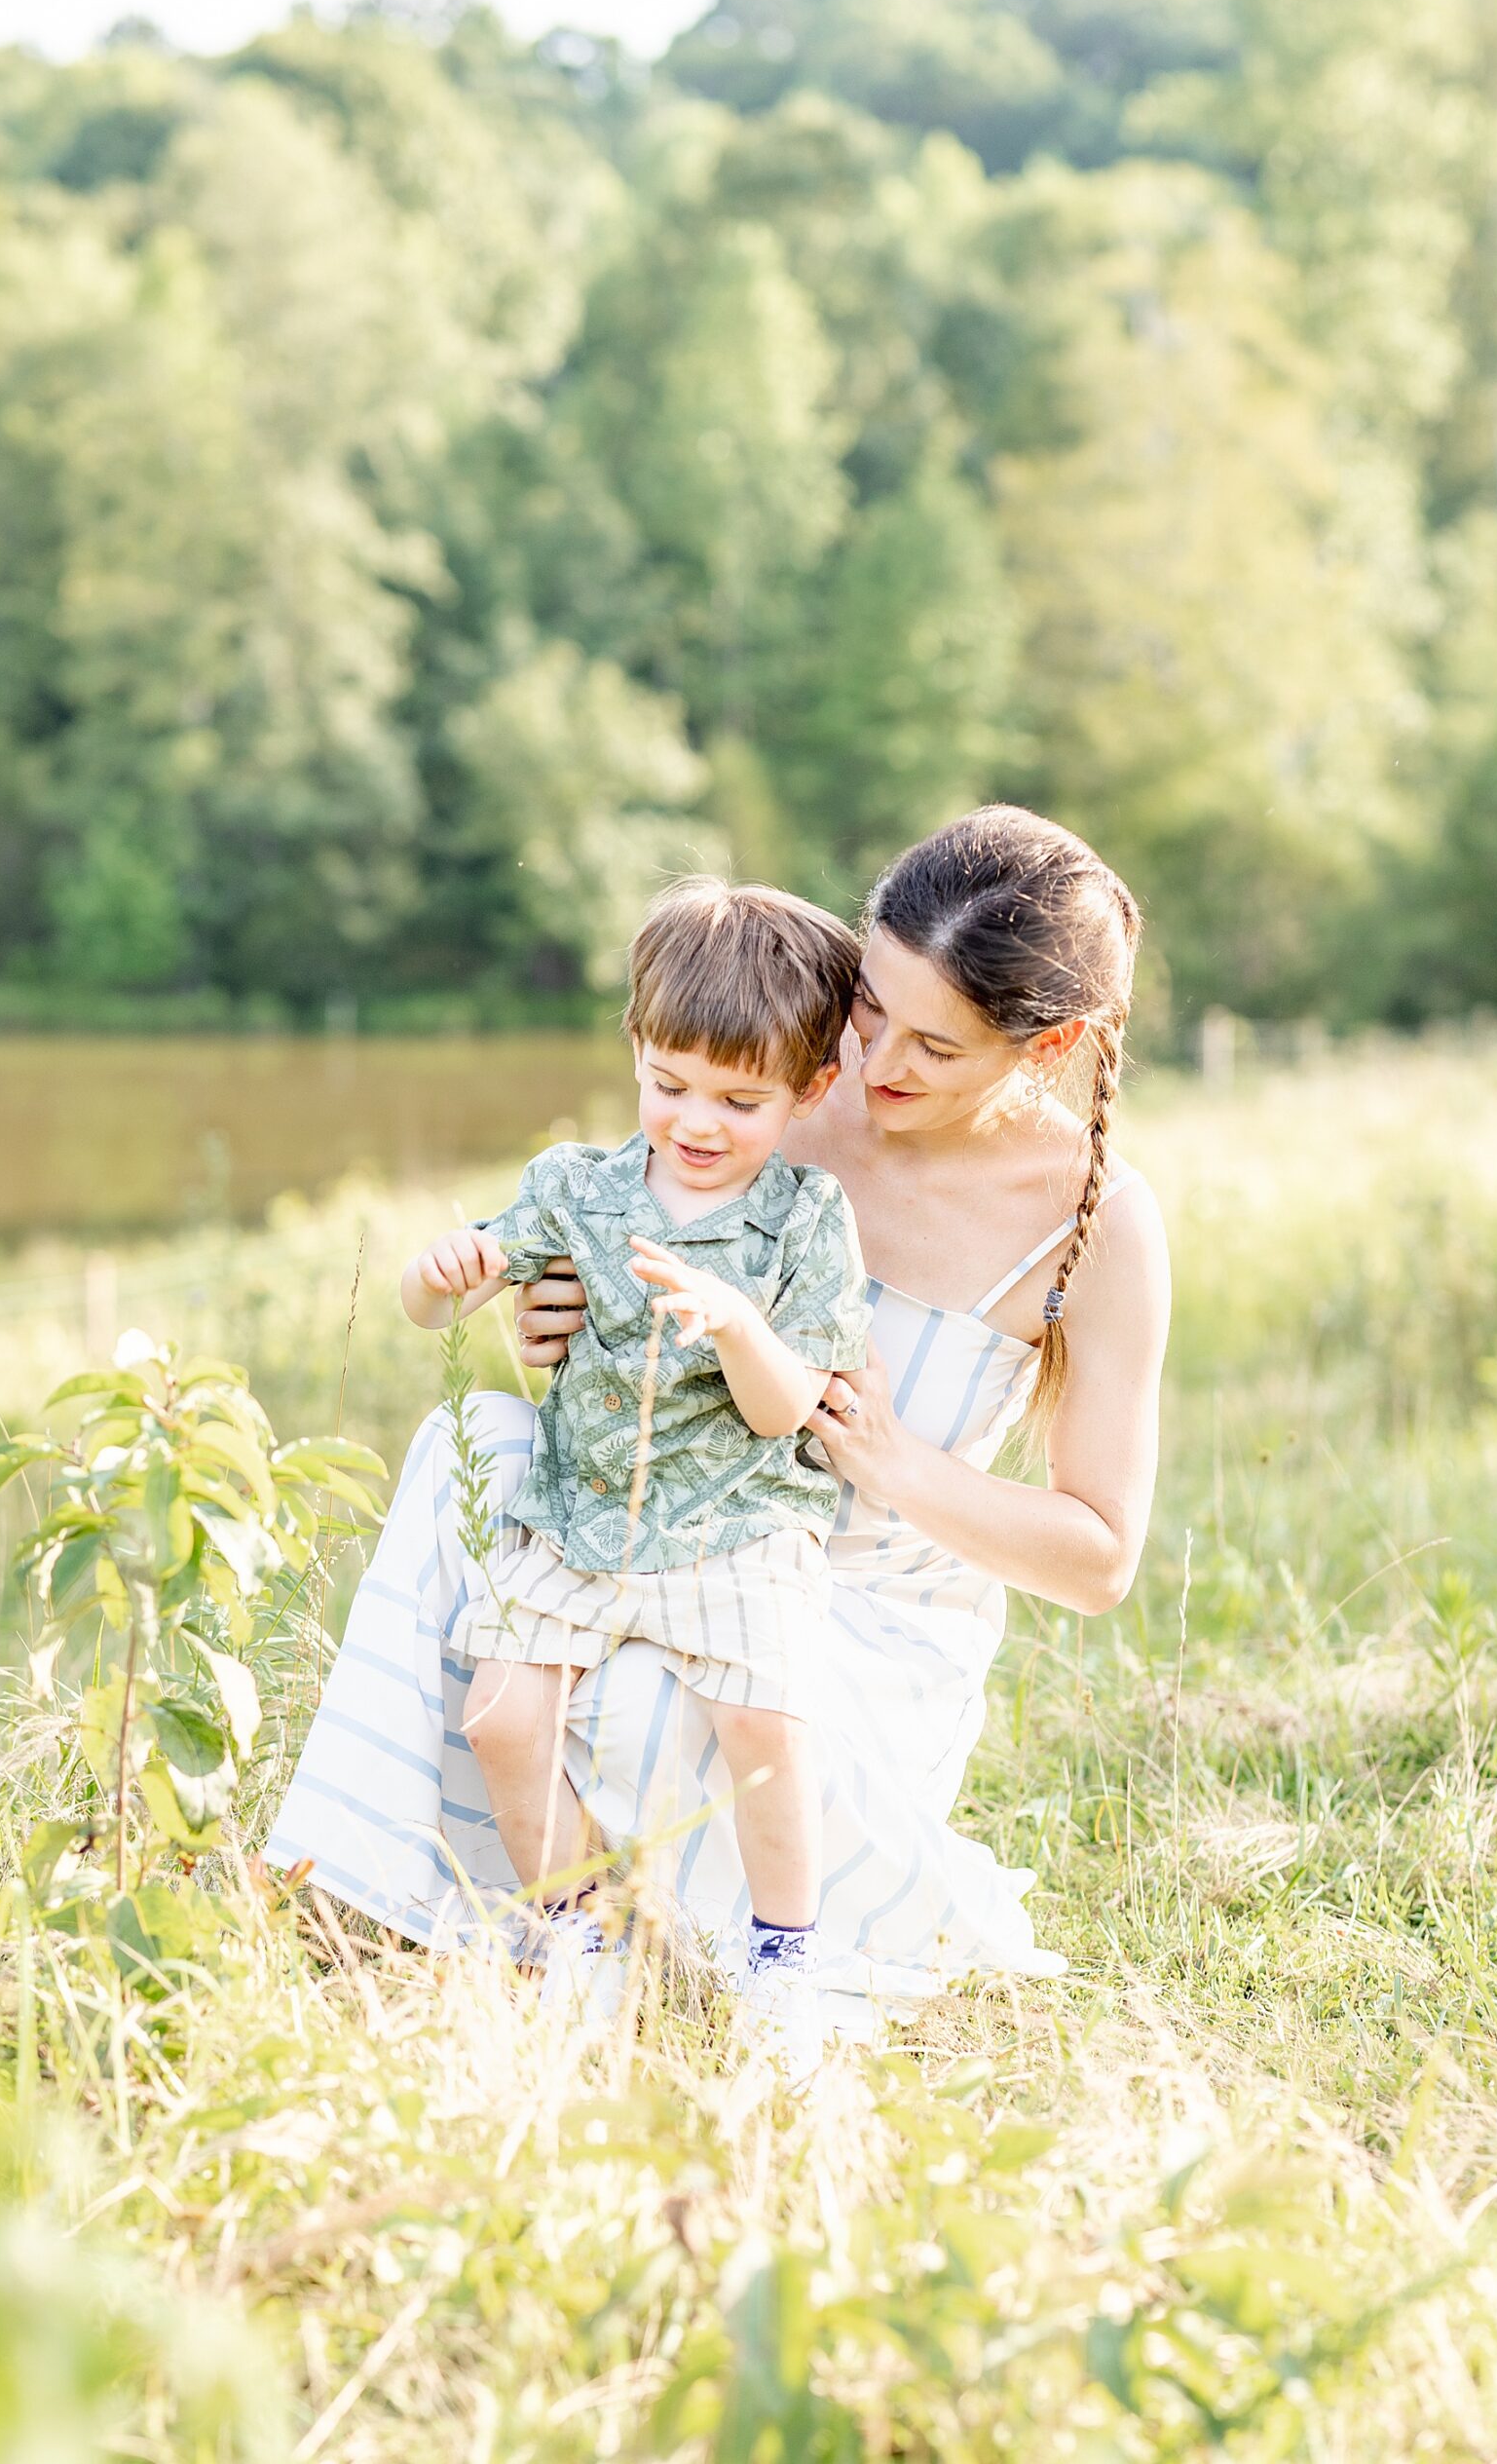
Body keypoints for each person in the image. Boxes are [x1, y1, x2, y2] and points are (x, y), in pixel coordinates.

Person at [267, 806, 1170, 2038]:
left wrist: (895, 1462)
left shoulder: (1097, 1227)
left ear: (1051, 1043)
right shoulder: (780, 1085)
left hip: (858, 1615)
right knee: (470, 1452)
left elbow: (1101, 1558)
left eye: (935, 1048)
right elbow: (624, 1232)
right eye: (869, 1012)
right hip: (672, 1515)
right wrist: (557, 1318)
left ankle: (695, 1947)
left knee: (642, 1687)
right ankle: (428, 1902)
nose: (877, 1064)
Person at [398, 877, 868, 2070]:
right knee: (501, 1716)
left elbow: (780, 1416)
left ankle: (783, 1951)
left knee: (764, 1712)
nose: (697, 1122)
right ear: (637, 1054)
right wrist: (443, 1269)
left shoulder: (806, 1221)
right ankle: (583, 1928)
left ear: (811, 1091)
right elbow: (447, 1289)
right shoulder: (580, 1189)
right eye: (669, 1085)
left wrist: (735, 1323)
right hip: (584, 1510)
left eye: (739, 1098)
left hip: (735, 1515)